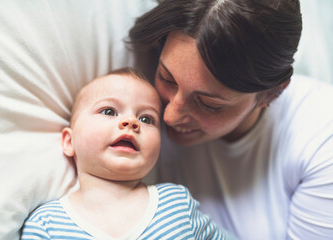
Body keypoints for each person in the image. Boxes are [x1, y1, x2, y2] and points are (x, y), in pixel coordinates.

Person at [129, 0, 333, 239]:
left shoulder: (321, 142)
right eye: (167, 78)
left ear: (272, 94)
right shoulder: (139, 100)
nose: (169, 116)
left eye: (209, 104)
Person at [21, 68, 236, 240]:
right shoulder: (47, 224)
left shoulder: (177, 203)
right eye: (109, 111)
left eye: (146, 119)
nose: (131, 123)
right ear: (70, 141)